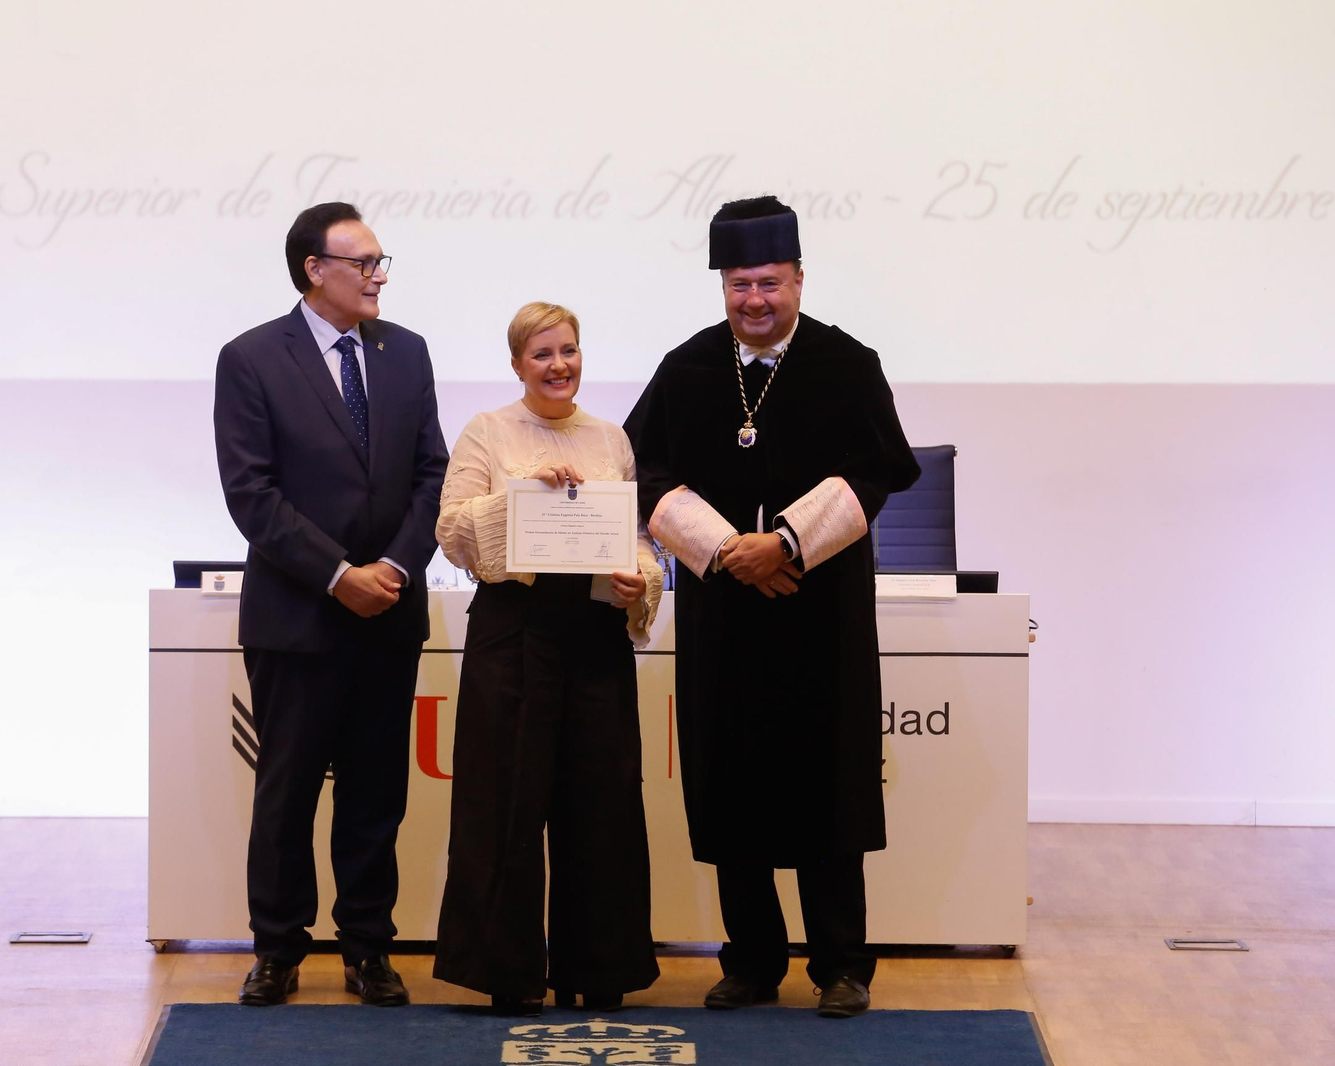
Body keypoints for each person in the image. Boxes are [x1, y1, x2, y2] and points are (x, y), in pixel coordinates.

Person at [624, 196, 920, 1018]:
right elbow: (642, 472)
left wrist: (785, 544)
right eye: (739, 284)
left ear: (797, 278)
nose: (754, 300)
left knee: (827, 783)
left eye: (769, 283)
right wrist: (727, 550)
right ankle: (751, 961)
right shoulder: (687, 368)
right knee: (730, 782)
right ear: (722, 284)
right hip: (726, 618)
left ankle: (842, 965)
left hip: (818, 617)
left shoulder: (845, 363)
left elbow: (877, 473)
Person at [214, 201, 448, 1007]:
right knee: (286, 792)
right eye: (364, 262)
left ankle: (367, 947)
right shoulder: (250, 358)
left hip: (388, 611)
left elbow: (432, 476)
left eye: (383, 262)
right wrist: (337, 574)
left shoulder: (406, 353)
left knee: (377, 792)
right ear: (316, 270)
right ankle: (278, 948)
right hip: (298, 617)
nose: (379, 276)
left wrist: (389, 567)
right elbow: (251, 493)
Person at [432, 302, 663, 1016]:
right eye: (542, 354)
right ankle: (507, 974)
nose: (559, 365)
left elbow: (640, 541)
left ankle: (601, 969)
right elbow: (451, 528)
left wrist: (640, 581)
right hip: (514, 630)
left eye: (568, 350)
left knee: (604, 805)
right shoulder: (488, 431)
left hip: (595, 633)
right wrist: (521, 499)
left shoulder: (611, 437)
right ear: (516, 365)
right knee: (503, 803)